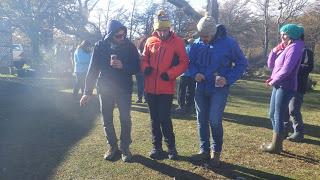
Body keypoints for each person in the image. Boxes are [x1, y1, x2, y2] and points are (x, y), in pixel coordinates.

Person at [189, 17, 248, 167]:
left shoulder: (229, 43)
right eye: (201, 35)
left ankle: (216, 153)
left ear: (213, 33)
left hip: (219, 89)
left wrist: (227, 79)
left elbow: (242, 63)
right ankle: (204, 150)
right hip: (201, 88)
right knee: (201, 120)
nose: (203, 39)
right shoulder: (197, 43)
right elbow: (190, 63)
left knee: (214, 120)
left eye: (206, 36)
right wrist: (195, 73)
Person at [80, 20, 140, 162]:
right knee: (107, 119)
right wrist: (87, 92)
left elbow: (137, 67)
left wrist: (123, 66)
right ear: (110, 35)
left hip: (124, 88)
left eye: (123, 35)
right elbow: (93, 69)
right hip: (105, 88)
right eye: (118, 36)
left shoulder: (130, 46)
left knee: (125, 119)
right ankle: (113, 147)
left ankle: (125, 148)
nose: (121, 38)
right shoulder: (100, 46)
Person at [141, 10, 188, 160]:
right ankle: (156, 147)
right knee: (154, 119)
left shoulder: (178, 42)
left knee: (164, 118)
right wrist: (145, 67)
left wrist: (170, 73)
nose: (162, 33)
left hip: (166, 88)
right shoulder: (149, 41)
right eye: (159, 30)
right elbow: (143, 58)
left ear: (170, 28)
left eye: (165, 30)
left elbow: (184, 62)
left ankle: (172, 148)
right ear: (156, 29)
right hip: (150, 88)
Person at [262, 24, 305, 154]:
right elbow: (271, 65)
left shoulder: (295, 47)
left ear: (292, 35)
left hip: (286, 86)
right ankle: (277, 144)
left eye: (284, 34)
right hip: (278, 84)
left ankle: (276, 146)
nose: (282, 36)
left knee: (278, 115)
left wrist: (274, 80)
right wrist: (275, 50)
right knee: (272, 114)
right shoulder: (287, 47)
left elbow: (287, 69)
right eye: (281, 34)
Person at [283, 35, 314, 142]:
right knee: (284, 109)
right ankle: (283, 130)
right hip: (286, 84)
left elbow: (308, 66)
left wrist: (293, 66)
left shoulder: (305, 51)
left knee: (293, 109)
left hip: (298, 85)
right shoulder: (288, 49)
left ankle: (298, 133)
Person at [175, 38, 196, 114]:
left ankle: (182, 106)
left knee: (182, 91)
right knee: (191, 91)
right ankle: (189, 106)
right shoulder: (197, 50)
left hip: (184, 73)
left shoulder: (185, 49)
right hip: (193, 74)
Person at [135, 36, 148, 103]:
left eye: (146, 42)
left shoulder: (149, 50)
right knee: (140, 84)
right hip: (138, 70)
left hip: (146, 70)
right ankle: (139, 98)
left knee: (146, 85)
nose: (145, 43)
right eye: (144, 42)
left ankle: (146, 98)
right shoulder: (138, 50)